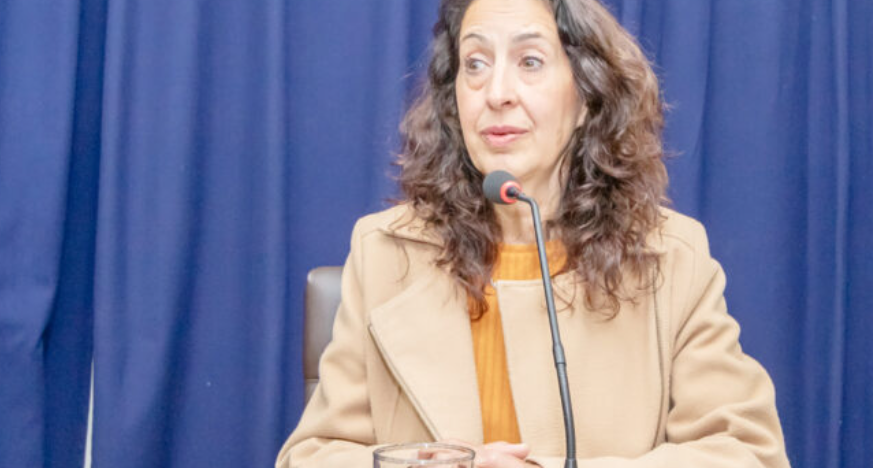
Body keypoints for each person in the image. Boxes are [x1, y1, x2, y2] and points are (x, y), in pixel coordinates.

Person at [277, 0, 790, 466]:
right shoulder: (384, 253)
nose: (496, 93)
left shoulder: (670, 257)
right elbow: (312, 456)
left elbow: (747, 452)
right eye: (475, 64)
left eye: (529, 61)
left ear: (587, 95)